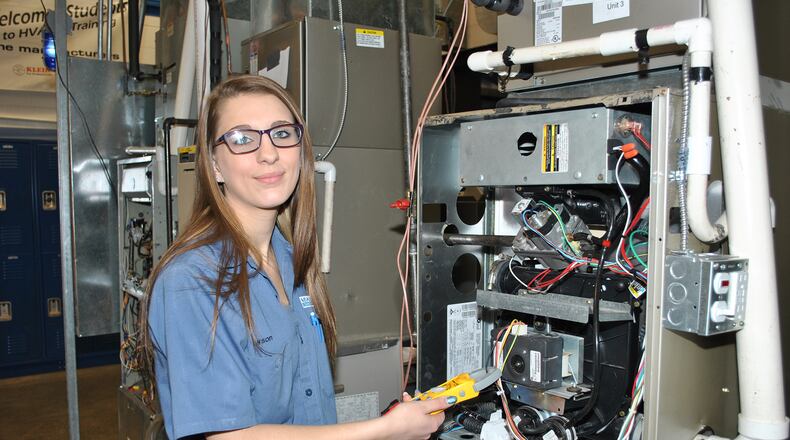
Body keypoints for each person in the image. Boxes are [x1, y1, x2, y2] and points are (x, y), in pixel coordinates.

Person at [137, 75, 452, 440]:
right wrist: (384, 431)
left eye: (281, 134)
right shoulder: (192, 281)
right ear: (215, 165)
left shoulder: (291, 258)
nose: (268, 153)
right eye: (242, 139)